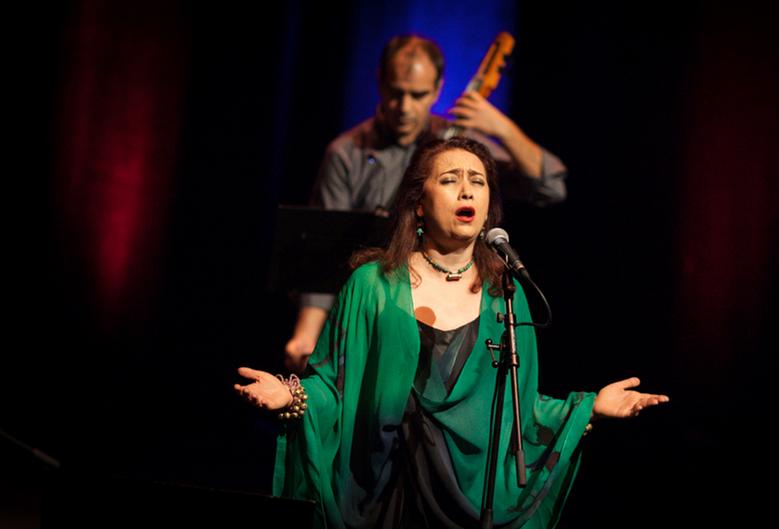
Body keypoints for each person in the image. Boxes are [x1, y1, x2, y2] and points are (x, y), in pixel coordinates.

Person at [237, 137, 668, 528]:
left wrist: (591, 407)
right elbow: (335, 388)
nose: (466, 190)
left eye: (477, 182)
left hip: (470, 503)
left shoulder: (506, 295)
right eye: (450, 180)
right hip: (382, 495)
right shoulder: (373, 286)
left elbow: (522, 412)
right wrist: (290, 395)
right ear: (419, 204)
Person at [285, 34, 569, 372]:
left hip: (441, 315)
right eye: (396, 92)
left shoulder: (454, 148)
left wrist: (502, 128)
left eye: (417, 95)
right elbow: (324, 256)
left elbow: (550, 186)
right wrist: (305, 334)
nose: (404, 107)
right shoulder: (346, 153)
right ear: (380, 83)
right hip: (369, 311)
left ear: (437, 90)